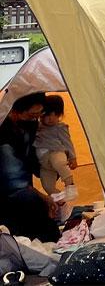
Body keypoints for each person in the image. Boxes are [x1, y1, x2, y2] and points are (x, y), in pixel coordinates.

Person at [0, 93, 58, 242]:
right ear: (14, 111)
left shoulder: (29, 125)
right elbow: (14, 182)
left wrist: (51, 166)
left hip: (24, 189)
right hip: (8, 196)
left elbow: (33, 159)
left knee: (51, 230)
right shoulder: (3, 135)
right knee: (30, 207)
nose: (36, 119)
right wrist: (44, 198)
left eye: (40, 114)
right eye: (32, 115)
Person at [35, 94, 77, 216]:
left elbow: (67, 142)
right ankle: (62, 203)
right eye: (43, 116)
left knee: (59, 162)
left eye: (50, 115)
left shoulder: (60, 127)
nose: (46, 119)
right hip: (44, 162)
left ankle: (70, 184)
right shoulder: (38, 127)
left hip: (56, 152)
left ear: (58, 114)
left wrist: (72, 157)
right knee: (47, 186)